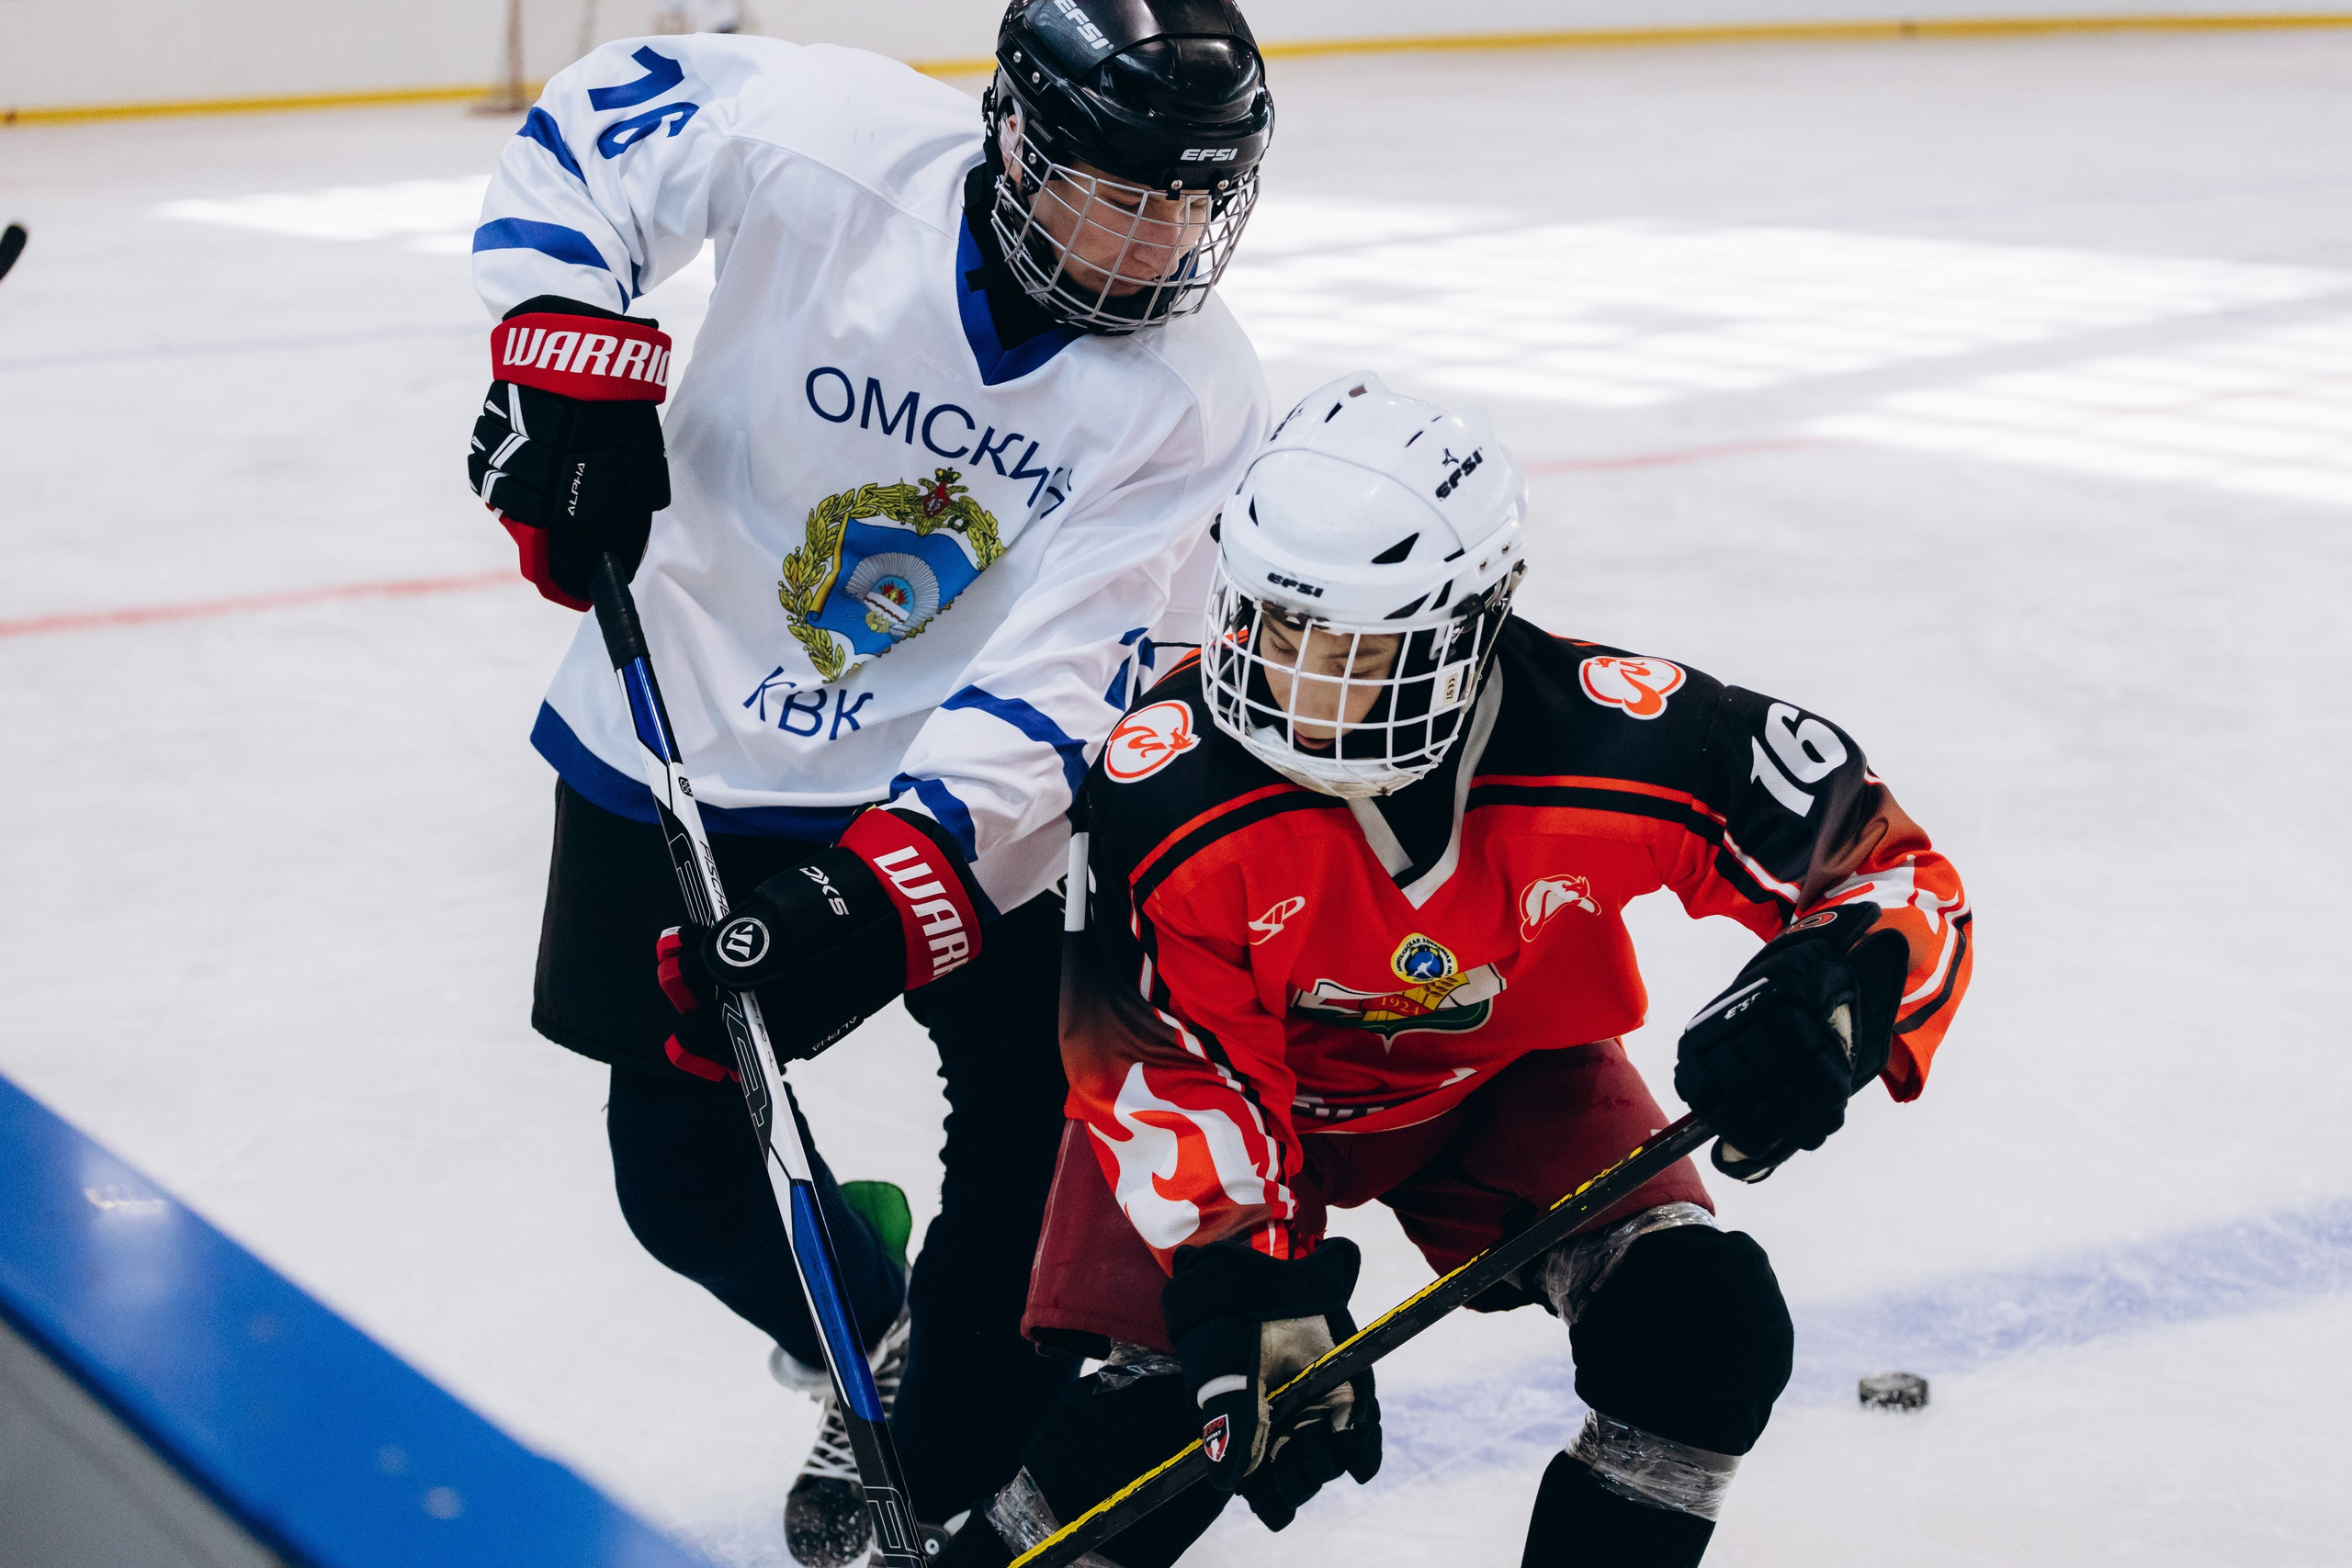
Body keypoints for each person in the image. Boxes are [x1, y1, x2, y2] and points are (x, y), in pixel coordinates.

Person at [460, 3, 1274, 1559]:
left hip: (964, 776)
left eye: (1194, 200)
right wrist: (567, 357)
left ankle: (944, 1432)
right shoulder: (827, 137)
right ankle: (868, 1316)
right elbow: (593, 133)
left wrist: (903, 868)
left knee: (1037, 1122)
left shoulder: (1193, 395)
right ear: (1017, 142)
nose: (1159, 241)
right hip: (694, 700)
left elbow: (1073, 676)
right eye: (1123, 190)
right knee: (681, 1184)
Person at [940, 374, 1973, 1567]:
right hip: (1247, 1094)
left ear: (1476, 620)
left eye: (1358, 647)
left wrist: (1836, 990)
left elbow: (1889, 867)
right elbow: (1163, 1063)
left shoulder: (1620, 737)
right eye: (1280, 627)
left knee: (1704, 1330)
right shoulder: (1157, 786)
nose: (1301, 686)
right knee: (1174, 1421)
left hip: (1502, 1079)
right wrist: (1244, 1280)